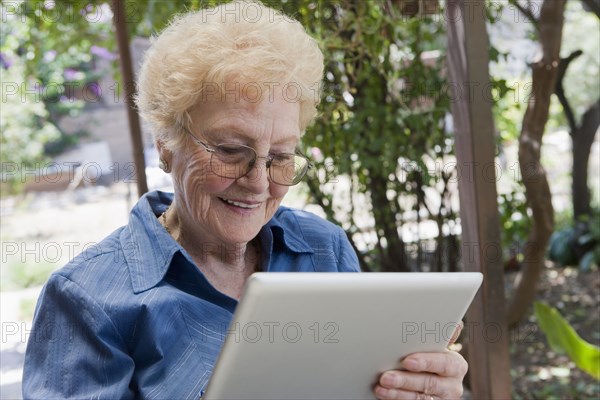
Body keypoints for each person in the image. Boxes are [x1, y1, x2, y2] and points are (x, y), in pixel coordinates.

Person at [22, 1, 468, 399]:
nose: (258, 182)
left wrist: (421, 387)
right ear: (165, 143)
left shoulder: (323, 249)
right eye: (231, 151)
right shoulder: (87, 297)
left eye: (281, 157)